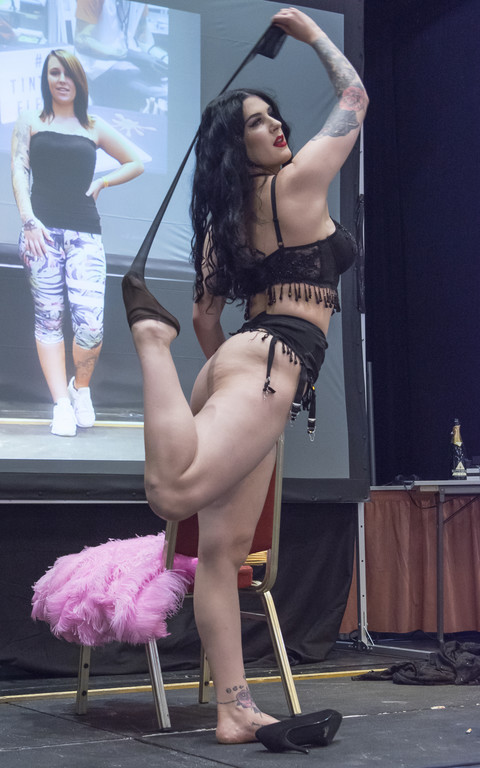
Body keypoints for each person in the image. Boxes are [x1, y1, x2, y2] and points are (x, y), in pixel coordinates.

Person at [122, 7, 368, 749]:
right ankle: (147, 341)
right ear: (238, 146)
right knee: (172, 494)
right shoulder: (296, 184)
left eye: (274, 116)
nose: (277, 127)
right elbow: (355, 97)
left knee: (222, 555)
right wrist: (313, 35)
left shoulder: (221, 225)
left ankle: (234, 709)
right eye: (257, 123)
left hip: (243, 364)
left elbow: (210, 321)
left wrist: (230, 378)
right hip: (269, 363)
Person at [11, 49, 143, 436]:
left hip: (85, 235)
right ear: (46, 79)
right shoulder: (30, 120)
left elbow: (135, 162)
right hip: (40, 233)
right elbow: (18, 169)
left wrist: (103, 181)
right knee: (49, 319)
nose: (61, 80)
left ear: (79, 81)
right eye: (54, 73)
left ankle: (79, 388)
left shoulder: (93, 125)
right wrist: (28, 220)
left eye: (68, 73)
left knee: (91, 326)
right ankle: (61, 405)